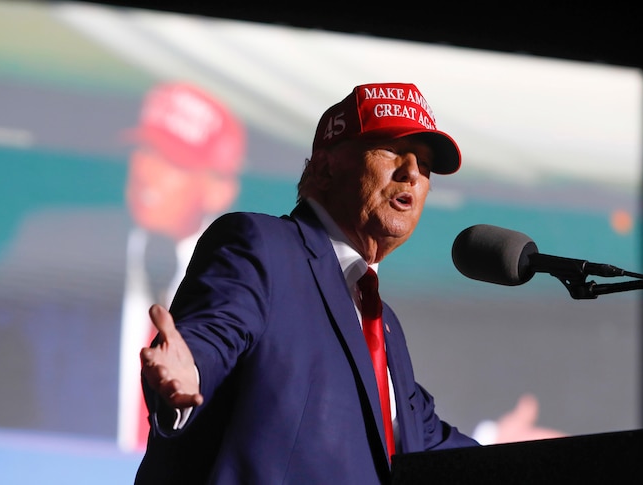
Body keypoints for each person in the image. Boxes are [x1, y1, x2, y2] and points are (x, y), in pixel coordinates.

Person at [134, 82, 479, 484]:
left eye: (424, 163)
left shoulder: (385, 327)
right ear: (325, 167)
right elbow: (214, 333)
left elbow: (428, 441)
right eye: (391, 150)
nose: (412, 173)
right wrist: (190, 369)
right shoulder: (262, 247)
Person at [116, 81, 246, 450]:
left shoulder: (245, 285)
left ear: (219, 188)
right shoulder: (54, 245)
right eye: (143, 150)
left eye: (172, 160)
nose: (145, 170)